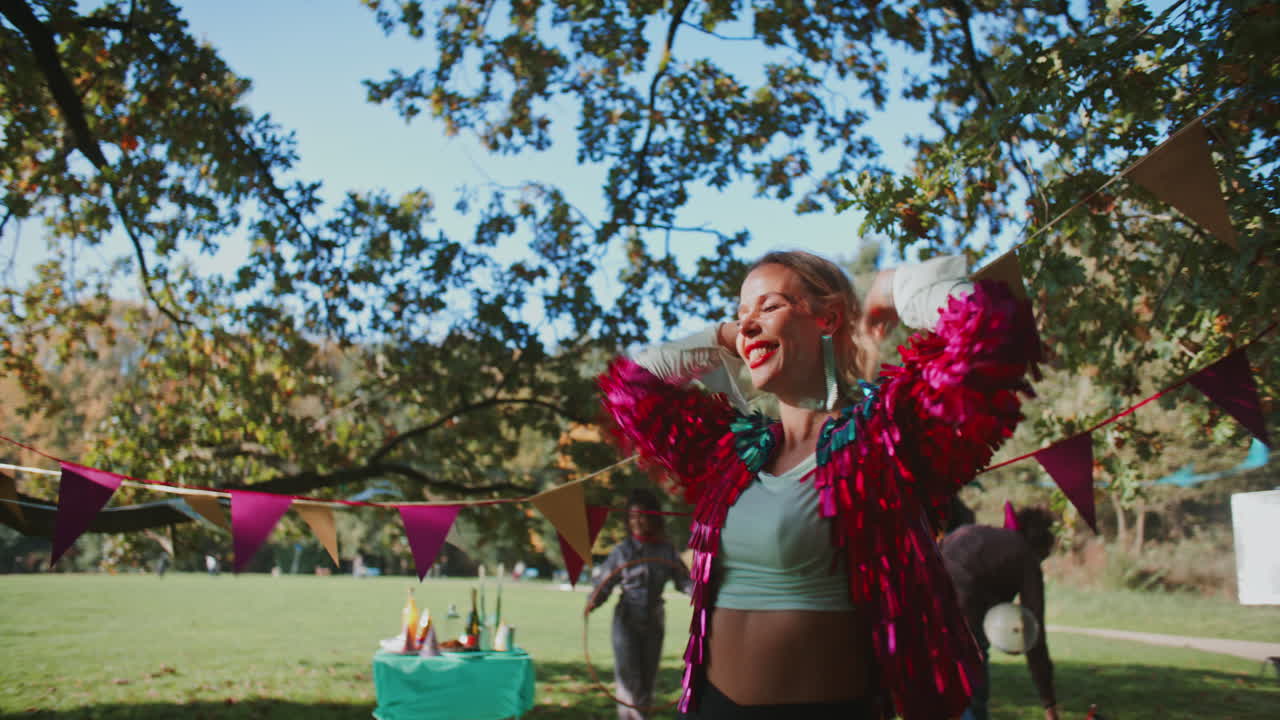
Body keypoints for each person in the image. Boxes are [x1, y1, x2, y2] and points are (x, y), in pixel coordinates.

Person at [597, 251, 1040, 719]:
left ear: (827, 318)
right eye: (741, 311)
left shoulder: (884, 438)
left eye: (769, 307)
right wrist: (730, 335)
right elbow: (632, 388)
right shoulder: (733, 453)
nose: (748, 324)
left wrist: (894, 288)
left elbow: (990, 333)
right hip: (711, 707)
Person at [941, 506, 1060, 720]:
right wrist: (1048, 702)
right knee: (971, 688)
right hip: (962, 604)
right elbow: (1034, 632)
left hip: (931, 593)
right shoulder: (1025, 556)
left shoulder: (988, 537)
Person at [587, 488, 694, 720]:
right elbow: (603, 583)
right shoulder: (622, 551)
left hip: (654, 619)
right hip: (626, 619)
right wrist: (593, 601)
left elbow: (683, 580)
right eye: (632, 516)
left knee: (647, 680)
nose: (637, 521)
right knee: (629, 680)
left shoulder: (666, 550)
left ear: (653, 518)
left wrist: (700, 595)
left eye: (642, 516)